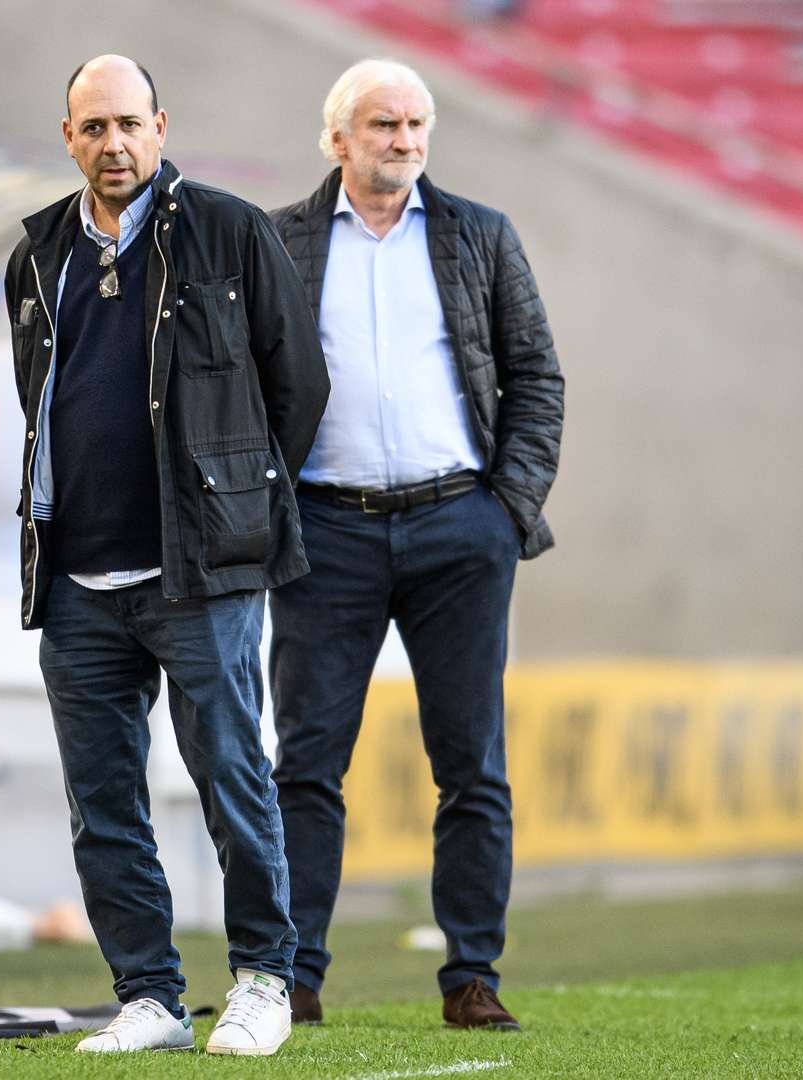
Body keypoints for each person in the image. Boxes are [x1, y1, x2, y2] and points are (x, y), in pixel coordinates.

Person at [2, 53, 330, 1056]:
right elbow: (40, 400)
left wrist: (240, 499)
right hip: (77, 581)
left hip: (201, 572)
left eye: (129, 124)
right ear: (68, 137)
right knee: (103, 803)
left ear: (161, 126)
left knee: (233, 775)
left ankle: (265, 981)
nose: (113, 143)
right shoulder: (36, 255)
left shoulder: (232, 232)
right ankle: (147, 995)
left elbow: (298, 387)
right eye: (93, 127)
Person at [266, 57, 565, 1032]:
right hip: (323, 533)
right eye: (382, 124)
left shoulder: (480, 235)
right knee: (307, 761)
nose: (402, 139)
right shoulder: (282, 242)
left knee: (471, 763)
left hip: (457, 529)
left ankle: (471, 976)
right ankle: (291, 974)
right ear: (339, 138)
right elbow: (242, 392)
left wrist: (504, 511)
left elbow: (536, 379)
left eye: (415, 124)